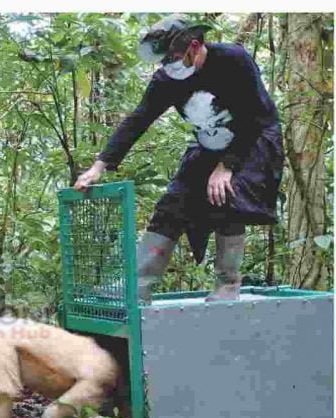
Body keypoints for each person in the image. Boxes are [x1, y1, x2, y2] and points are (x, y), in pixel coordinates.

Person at [74, 15, 283, 303]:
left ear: (195, 47)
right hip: (210, 143)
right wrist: (100, 165)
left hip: (254, 138)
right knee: (173, 202)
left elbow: (254, 117)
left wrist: (227, 166)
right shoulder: (166, 80)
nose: (168, 66)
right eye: (162, 61)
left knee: (226, 195)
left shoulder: (233, 60)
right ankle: (137, 287)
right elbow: (138, 120)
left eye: (172, 58)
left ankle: (227, 286)